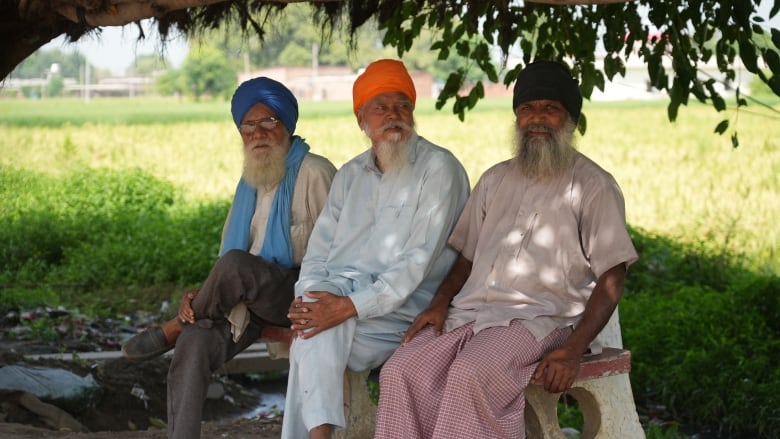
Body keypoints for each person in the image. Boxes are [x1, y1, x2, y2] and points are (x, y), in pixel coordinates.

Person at [374, 60, 639, 439]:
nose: (537, 119)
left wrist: (575, 349)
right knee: (400, 371)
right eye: (527, 109)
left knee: (472, 374)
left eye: (550, 109)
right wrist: (438, 304)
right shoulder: (495, 179)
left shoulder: (593, 186)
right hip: (471, 313)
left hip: (541, 318)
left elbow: (613, 276)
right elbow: (466, 256)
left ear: (571, 121)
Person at [120, 76, 337, 438]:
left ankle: (173, 326)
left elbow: (341, 251)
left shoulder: (315, 172)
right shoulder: (250, 179)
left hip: (298, 294)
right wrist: (212, 297)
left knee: (236, 265)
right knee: (194, 343)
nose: (258, 133)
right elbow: (231, 252)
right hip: (246, 301)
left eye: (268, 121)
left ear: (286, 125)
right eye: (249, 125)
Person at [280, 59, 470, 439]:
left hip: (406, 311)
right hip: (342, 302)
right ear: (361, 119)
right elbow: (318, 254)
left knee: (312, 337)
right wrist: (308, 300)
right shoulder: (350, 175)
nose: (393, 115)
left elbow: (415, 263)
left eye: (401, 105)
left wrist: (345, 308)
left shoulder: (439, 169)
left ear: (413, 112)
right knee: (313, 327)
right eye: (379, 107)